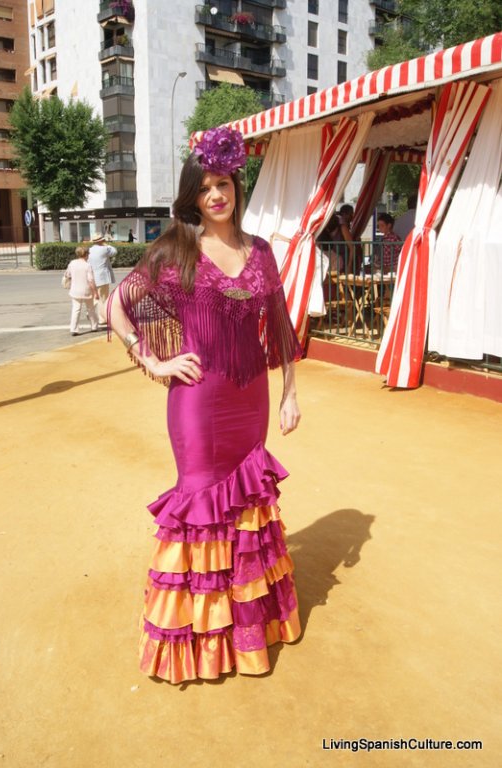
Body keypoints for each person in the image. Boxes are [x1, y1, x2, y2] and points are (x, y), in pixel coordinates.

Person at [107, 126, 302, 685]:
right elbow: (118, 307)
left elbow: (281, 327)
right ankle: (197, 638)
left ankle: (246, 630)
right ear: (193, 195)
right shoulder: (176, 248)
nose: (217, 194)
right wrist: (153, 359)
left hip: (250, 400)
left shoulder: (260, 251)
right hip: (197, 401)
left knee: (245, 507)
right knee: (199, 500)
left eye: (224, 183)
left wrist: (290, 392)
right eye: (206, 187)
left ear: (236, 186)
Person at [64, 246, 99, 336]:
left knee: (76, 309)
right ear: (86, 254)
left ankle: (74, 329)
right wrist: (95, 292)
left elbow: (67, 274)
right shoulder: (87, 265)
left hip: (75, 290)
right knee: (91, 309)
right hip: (86, 290)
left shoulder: (72, 263)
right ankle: (94, 326)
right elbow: (91, 280)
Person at [88, 232, 116, 324]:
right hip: (103, 277)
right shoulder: (104, 249)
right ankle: (102, 318)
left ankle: (91, 312)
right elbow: (114, 251)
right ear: (101, 240)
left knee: (96, 296)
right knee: (102, 298)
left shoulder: (90, 250)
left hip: (93, 276)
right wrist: (106, 243)